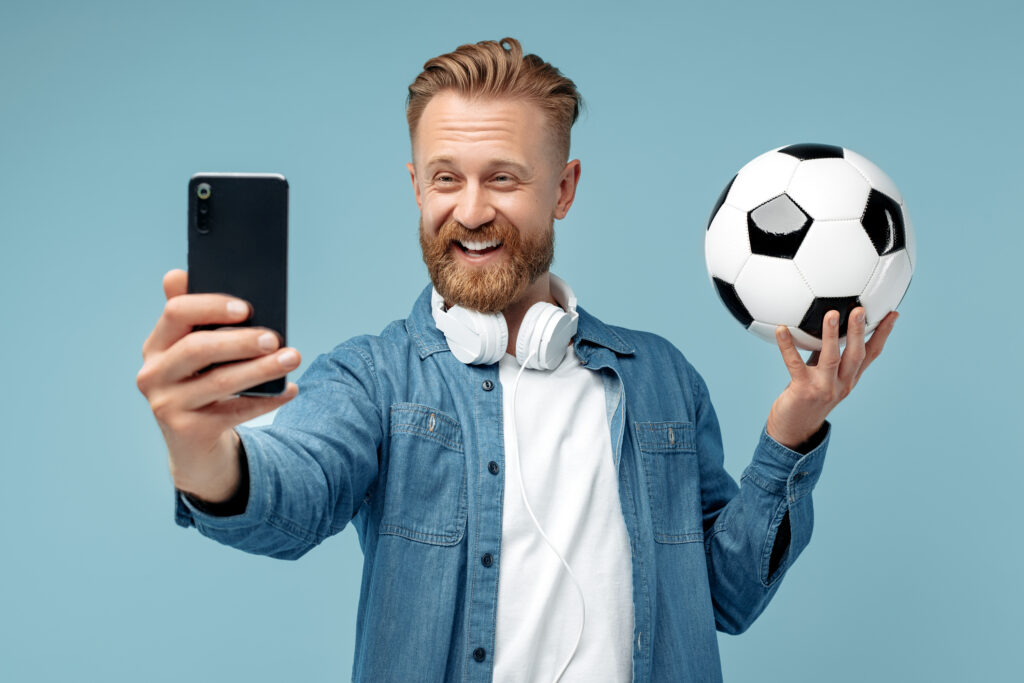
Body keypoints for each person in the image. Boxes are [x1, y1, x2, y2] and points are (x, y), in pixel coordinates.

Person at [136, 38, 897, 683]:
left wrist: (793, 432)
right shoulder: (373, 378)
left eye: (503, 177)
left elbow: (727, 598)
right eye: (446, 178)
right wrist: (201, 449)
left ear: (563, 189)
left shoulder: (663, 379)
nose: (470, 211)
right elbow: (291, 499)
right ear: (416, 187)